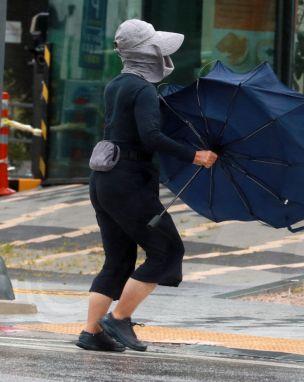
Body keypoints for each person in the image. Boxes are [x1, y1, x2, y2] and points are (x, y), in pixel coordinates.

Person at [76, 19, 218, 352]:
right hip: (128, 182)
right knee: (167, 250)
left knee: (118, 260)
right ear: (147, 54)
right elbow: (150, 137)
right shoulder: (142, 89)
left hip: (104, 180)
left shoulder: (117, 84)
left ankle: (91, 332)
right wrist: (194, 155)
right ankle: (119, 318)